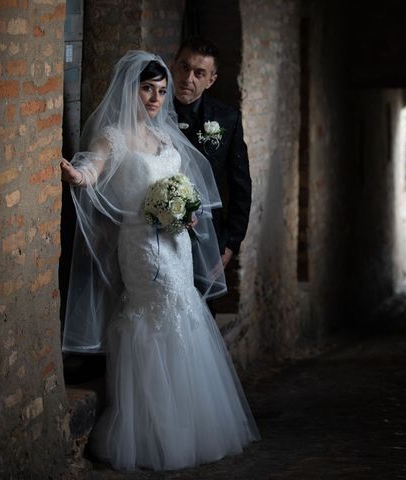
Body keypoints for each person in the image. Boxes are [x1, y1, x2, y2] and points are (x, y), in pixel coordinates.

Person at [60, 50, 259, 471]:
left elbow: (183, 186)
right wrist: (80, 176)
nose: (155, 98)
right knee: (151, 316)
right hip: (141, 246)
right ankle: (152, 429)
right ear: (130, 90)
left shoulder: (165, 138)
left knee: (183, 309)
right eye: (147, 89)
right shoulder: (113, 137)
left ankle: (187, 423)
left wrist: (184, 212)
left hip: (176, 244)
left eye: (161, 91)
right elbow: (94, 170)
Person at [172, 37, 252, 270]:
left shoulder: (227, 118)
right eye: (184, 67)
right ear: (173, 66)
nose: (188, 79)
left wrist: (231, 244)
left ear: (211, 80)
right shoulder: (150, 111)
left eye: (199, 73)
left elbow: (241, 185)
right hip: (155, 231)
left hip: (207, 237)